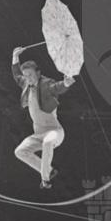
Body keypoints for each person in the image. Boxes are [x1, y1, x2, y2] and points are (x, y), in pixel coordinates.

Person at [11, 46, 76, 189]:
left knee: (48, 141)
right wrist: (15, 56)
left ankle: (45, 179)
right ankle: (50, 171)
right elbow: (16, 75)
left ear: (38, 73)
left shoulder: (46, 84)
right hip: (38, 135)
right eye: (25, 75)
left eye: (30, 75)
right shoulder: (25, 83)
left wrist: (66, 83)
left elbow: (56, 87)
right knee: (20, 152)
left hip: (55, 132)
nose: (28, 78)